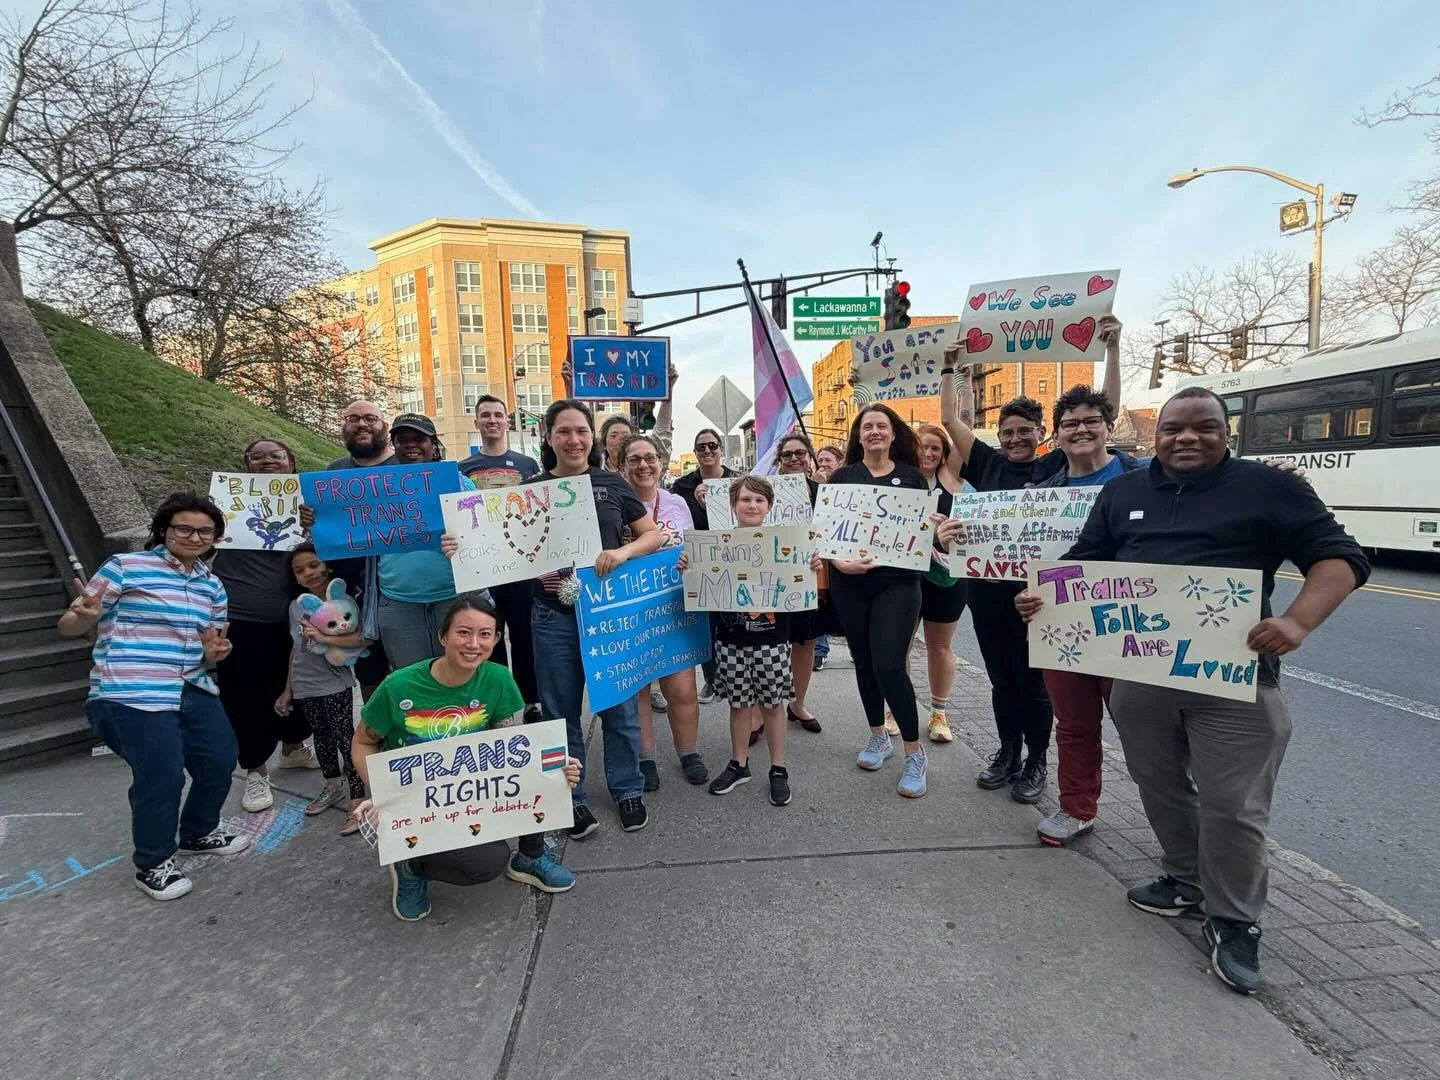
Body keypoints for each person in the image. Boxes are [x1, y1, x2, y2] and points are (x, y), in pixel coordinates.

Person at [1016, 386, 1369, 995]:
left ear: (1224, 430)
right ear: (1155, 435)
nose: (1186, 437)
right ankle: (1184, 878)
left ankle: (1234, 921)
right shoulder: (1122, 492)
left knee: (1234, 804)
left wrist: (1297, 621)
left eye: (1203, 427)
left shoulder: (1270, 488)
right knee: (1158, 783)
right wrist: (1045, 598)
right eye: (1173, 428)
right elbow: (1088, 559)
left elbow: (1340, 558)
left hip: (1230, 679)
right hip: (1141, 672)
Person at [938, 315, 1122, 803]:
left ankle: (1038, 760)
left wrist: (1112, 348)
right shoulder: (987, 463)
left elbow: (1104, 414)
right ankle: (1007, 753)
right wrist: (951, 369)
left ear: (1044, 433)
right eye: (1008, 431)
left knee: (1038, 683)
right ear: (997, 434)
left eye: (1026, 431)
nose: (1017, 438)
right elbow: (950, 420)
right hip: (988, 592)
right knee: (1002, 679)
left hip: (1039, 595)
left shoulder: (1054, 463)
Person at [61, 492, 248, 901]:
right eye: (184, 528)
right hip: (132, 689)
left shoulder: (211, 584)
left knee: (219, 759)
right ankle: (152, 863)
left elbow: (210, 644)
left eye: (205, 531)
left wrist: (216, 653)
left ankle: (198, 832)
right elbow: (71, 624)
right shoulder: (125, 568)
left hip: (192, 685)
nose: (195, 537)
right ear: (163, 531)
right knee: (160, 775)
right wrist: (82, 616)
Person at [350, 596, 581, 921]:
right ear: (443, 636)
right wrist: (380, 792)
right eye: (463, 633)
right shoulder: (398, 686)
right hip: (417, 799)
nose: (474, 643)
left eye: (485, 634)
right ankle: (411, 865)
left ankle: (530, 857)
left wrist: (558, 769)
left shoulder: (498, 678)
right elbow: (361, 742)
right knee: (485, 864)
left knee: (543, 776)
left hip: (471, 790)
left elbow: (512, 749)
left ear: (497, 640)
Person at [526, 398, 665, 839]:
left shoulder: (611, 483)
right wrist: (463, 548)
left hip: (607, 616)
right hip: (552, 617)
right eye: (563, 431)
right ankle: (572, 797)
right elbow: (498, 550)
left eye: (581, 431)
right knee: (559, 712)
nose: (573, 439)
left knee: (620, 708)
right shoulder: (528, 490)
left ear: (593, 437)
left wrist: (620, 552)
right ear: (549, 437)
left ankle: (627, 788)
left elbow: (653, 535)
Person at [1023, 385, 1146, 846]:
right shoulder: (1041, 494)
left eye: (1091, 420)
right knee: (1074, 724)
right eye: (1070, 423)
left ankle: (1172, 806)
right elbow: (1022, 558)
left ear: (1108, 428)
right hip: (1063, 623)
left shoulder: (1145, 476)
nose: (1081, 430)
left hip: (1131, 621)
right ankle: (1077, 807)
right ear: (1055, 436)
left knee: (1143, 724)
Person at [828, 404, 962, 799]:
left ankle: (913, 752)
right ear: (858, 435)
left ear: (892, 434)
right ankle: (877, 737)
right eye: (866, 426)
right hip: (850, 583)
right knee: (865, 664)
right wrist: (840, 563)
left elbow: (924, 535)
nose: (874, 432)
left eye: (881, 426)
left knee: (890, 665)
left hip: (899, 584)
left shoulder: (911, 478)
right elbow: (826, 533)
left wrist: (938, 532)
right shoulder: (842, 477)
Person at [686, 476, 822, 806]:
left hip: (773, 641)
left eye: (759, 501)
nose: (752, 505)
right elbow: (700, 582)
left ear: (769, 507)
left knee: (774, 705)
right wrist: (687, 566)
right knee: (739, 705)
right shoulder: (714, 544)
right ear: (734, 504)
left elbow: (801, 583)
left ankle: (778, 768)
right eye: (746, 499)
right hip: (731, 640)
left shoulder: (785, 543)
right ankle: (739, 763)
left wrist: (811, 566)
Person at [213, 438, 319, 816]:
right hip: (243, 615)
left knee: (300, 686)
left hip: (297, 616)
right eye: (258, 457)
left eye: (277, 455)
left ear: (291, 463)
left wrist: (313, 526)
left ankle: (292, 748)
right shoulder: (224, 508)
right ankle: (256, 769)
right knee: (244, 698)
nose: (268, 461)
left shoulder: (308, 507)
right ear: (246, 466)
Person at [620, 432, 708, 790]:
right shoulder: (613, 502)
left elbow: (692, 548)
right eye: (634, 459)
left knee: (683, 688)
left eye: (649, 458)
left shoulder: (676, 503)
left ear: (660, 463)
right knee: (640, 689)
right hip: (631, 611)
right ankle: (646, 758)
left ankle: (688, 752)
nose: (643, 465)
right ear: (621, 465)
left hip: (673, 607)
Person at [373, 413, 479, 670]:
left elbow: (481, 532)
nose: (410, 445)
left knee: (459, 673)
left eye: (419, 439)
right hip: (399, 602)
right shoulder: (376, 488)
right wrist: (316, 519)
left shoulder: (460, 483)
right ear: (394, 446)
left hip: (451, 597)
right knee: (412, 680)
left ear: (433, 446)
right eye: (402, 440)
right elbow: (348, 523)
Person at [458, 394, 542, 718]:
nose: (492, 420)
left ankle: (532, 701)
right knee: (488, 639)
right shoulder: (461, 469)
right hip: (481, 568)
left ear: (507, 422)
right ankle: (499, 707)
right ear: (476, 422)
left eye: (498, 415)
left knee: (524, 638)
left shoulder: (526, 465)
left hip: (520, 566)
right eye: (486, 415)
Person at [276, 543, 370, 832]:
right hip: (304, 685)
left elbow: (362, 639)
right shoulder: (296, 606)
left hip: (333, 682)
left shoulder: (344, 601)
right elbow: (296, 648)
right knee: (322, 738)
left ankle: (357, 798)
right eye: (300, 570)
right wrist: (288, 689)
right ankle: (332, 786)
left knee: (345, 738)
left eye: (313, 565)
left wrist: (324, 637)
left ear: (327, 565)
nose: (309, 573)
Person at [305, 400, 395, 699]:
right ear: (344, 426)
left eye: (371, 418)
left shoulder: (405, 468)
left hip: (399, 582)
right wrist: (311, 519)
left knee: (408, 661)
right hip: (353, 587)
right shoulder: (333, 471)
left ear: (384, 426)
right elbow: (327, 525)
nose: (362, 424)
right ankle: (377, 731)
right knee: (369, 668)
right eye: (353, 418)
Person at [911, 422, 970, 744]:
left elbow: (962, 435)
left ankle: (938, 713)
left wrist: (954, 377)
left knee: (940, 646)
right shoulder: (901, 481)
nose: (929, 453)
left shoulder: (950, 481)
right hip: (907, 577)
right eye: (922, 446)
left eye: (936, 447)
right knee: (901, 645)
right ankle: (896, 706)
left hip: (946, 576)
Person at [671, 427, 735, 701]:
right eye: (701, 447)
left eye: (712, 445)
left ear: (721, 449)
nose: (707, 451)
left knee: (732, 622)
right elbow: (676, 523)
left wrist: (712, 506)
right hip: (697, 564)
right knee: (705, 625)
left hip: (733, 561)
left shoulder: (738, 482)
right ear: (695, 453)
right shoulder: (682, 486)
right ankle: (711, 679)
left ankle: (733, 678)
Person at [774, 431, 826, 735]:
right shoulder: (766, 491)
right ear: (780, 461)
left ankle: (797, 703)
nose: (794, 459)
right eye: (787, 455)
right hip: (770, 580)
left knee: (804, 643)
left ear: (809, 458)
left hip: (811, 579)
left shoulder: (824, 494)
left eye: (799, 453)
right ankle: (762, 710)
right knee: (767, 644)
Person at [811, 444, 844, 671]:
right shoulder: (813, 485)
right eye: (819, 460)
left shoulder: (846, 485)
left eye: (827, 461)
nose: (823, 464)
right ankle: (820, 650)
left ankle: (855, 645)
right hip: (821, 557)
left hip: (844, 555)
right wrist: (815, 485)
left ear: (839, 463)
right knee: (821, 600)